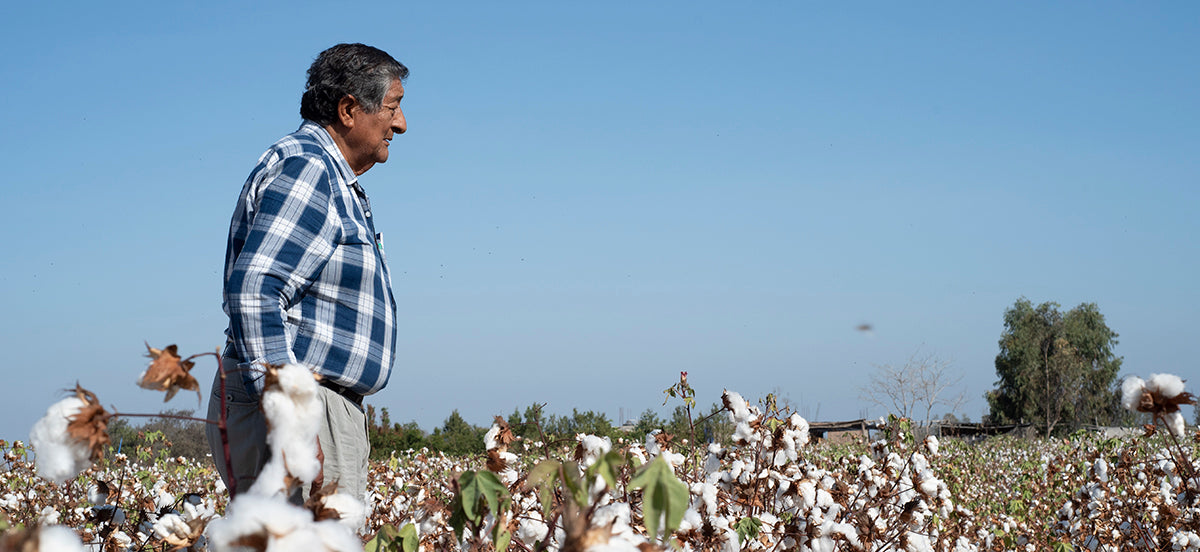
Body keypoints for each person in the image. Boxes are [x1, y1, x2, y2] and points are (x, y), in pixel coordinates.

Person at [205, 43, 407, 502]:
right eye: (392, 106)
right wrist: (293, 419)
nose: (400, 124)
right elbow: (255, 291)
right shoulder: (311, 169)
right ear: (349, 109)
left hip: (316, 403)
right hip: (307, 403)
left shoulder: (324, 172)